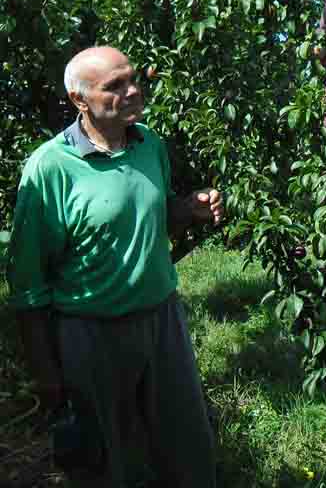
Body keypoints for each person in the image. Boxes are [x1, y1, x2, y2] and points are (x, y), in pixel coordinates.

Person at [7, 46, 223, 488]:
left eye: (133, 79)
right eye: (115, 86)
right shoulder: (50, 168)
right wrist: (47, 375)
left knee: (188, 448)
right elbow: (27, 281)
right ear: (79, 100)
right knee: (108, 462)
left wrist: (189, 209)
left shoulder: (149, 143)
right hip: (93, 332)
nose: (132, 91)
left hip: (163, 321)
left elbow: (157, 217)